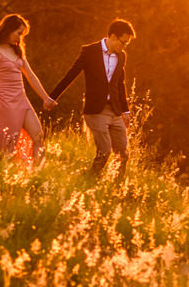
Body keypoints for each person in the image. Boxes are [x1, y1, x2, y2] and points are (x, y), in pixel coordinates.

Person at [49, 18, 136, 181]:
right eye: (123, 42)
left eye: (127, 44)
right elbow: (71, 74)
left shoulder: (121, 56)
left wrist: (125, 110)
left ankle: (117, 188)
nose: (124, 47)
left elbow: (120, 83)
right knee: (104, 151)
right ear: (112, 37)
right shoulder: (90, 52)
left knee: (124, 153)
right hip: (96, 110)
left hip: (115, 110)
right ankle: (88, 181)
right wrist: (52, 97)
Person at [0, 14, 57, 164]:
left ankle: (37, 175)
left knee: (38, 136)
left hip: (22, 99)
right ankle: (2, 176)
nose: (20, 38)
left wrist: (46, 98)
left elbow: (31, 76)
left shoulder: (17, 51)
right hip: (5, 101)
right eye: (18, 33)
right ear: (8, 30)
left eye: (22, 34)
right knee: (8, 145)